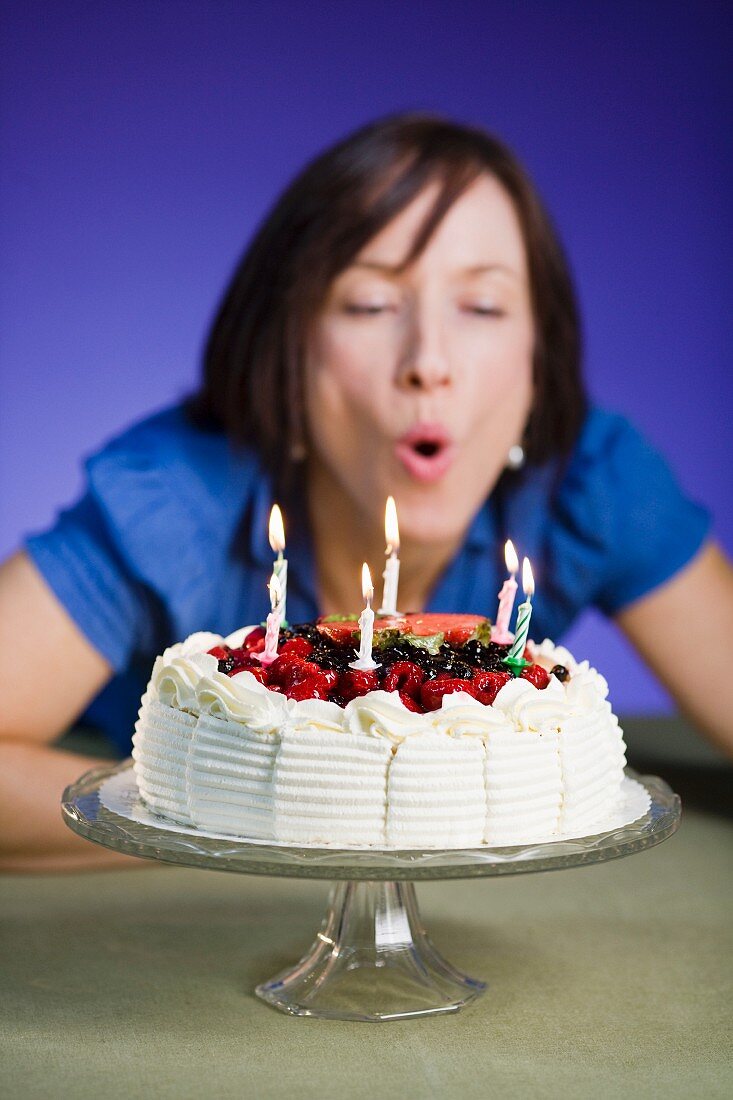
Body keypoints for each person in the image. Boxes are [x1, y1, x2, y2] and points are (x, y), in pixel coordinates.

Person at [1, 113, 732, 872]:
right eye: (369, 305)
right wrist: (267, 812)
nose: (428, 361)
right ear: (289, 347)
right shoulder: (174, 496)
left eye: (482, 307)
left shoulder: (591, 482)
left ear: (536, 361)